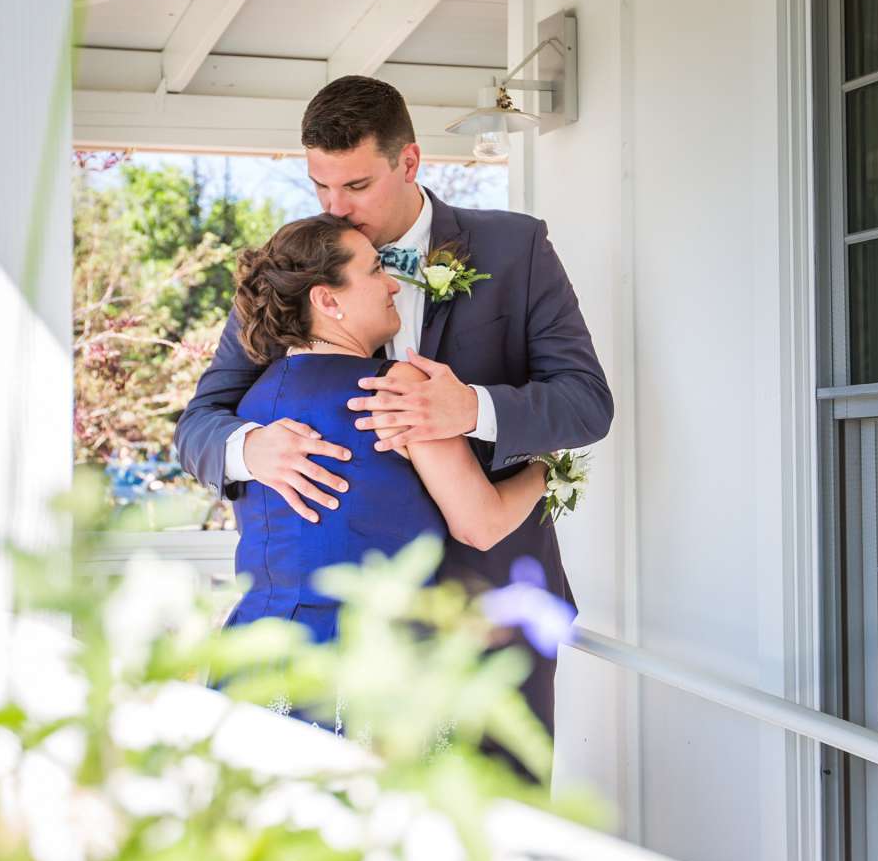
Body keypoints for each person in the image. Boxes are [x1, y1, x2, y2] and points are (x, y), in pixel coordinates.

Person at [177, 75, 613, 734]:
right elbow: (201, 421)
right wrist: (249, 448)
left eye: (355, 186)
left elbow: (586, 401)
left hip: (492, 615)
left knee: (496, 826)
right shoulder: (298, 269)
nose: (336, 206)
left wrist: (470, 409)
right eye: (319, 185)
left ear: (408, 162)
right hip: (339, 639)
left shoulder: (515, 250)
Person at [220, 214, 550, 644]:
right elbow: (480, 525)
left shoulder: (251, 405)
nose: (393, 284)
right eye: (375, 270)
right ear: (327, 300)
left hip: (256, 653)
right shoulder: (395, 388)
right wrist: (543, 471)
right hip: (367, 661)